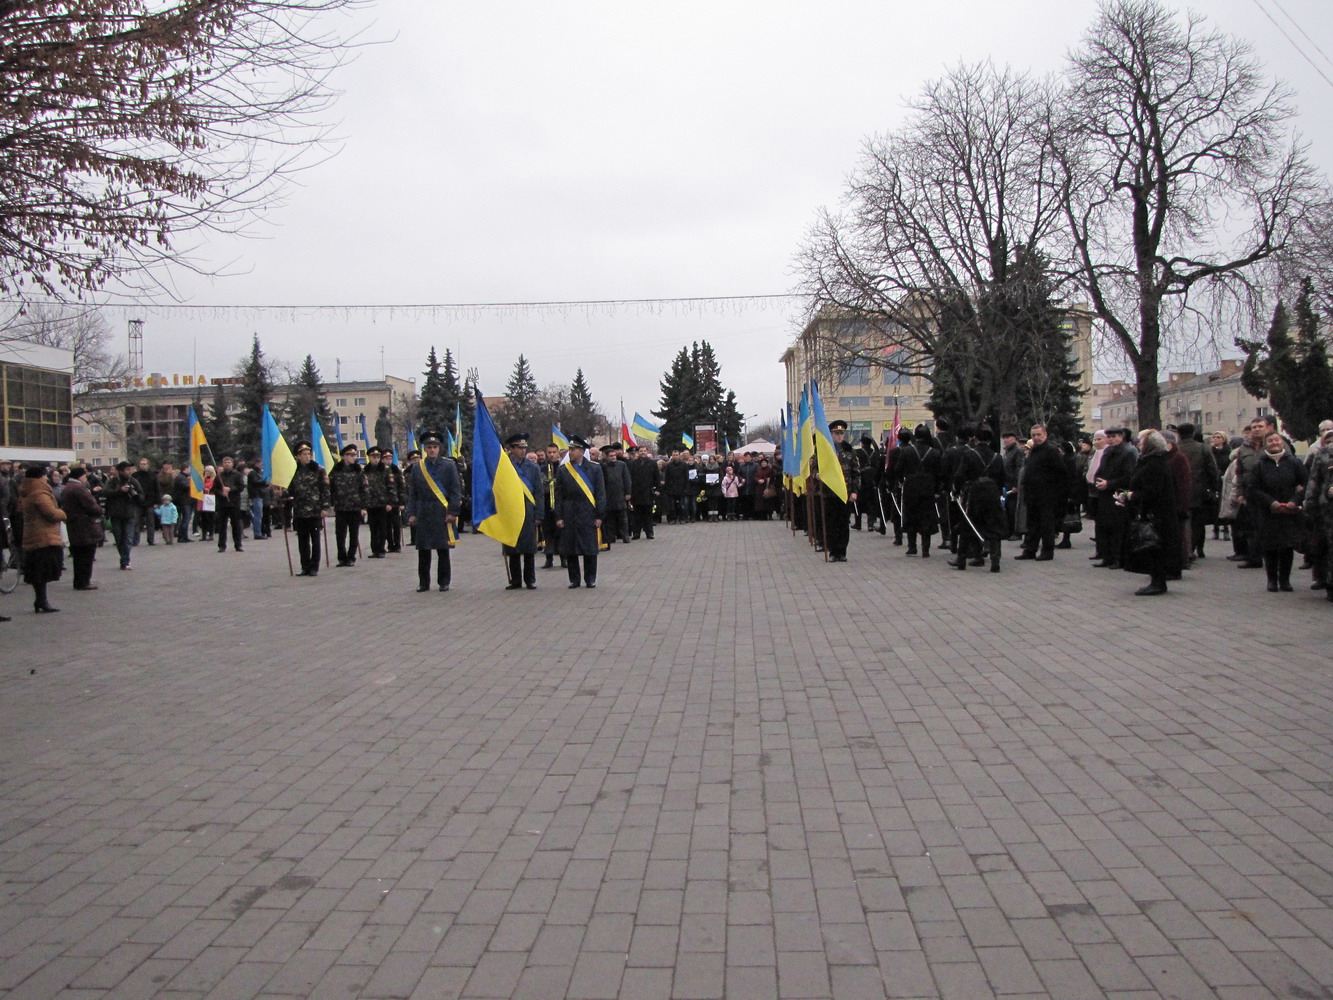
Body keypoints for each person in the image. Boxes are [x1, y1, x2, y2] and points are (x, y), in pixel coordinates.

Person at [1245, 429, 1308, 593]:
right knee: (1270, 546)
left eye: (1277, 440)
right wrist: (1271, 503)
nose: (1274, 443)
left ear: (1283, 442)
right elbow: (1253, 489)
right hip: (1268, 512)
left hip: (1289, 511)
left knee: (1287, 546)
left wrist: (1294, 501)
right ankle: (1272, 580)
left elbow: (1306, 484)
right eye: (1270, 441)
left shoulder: (1294, 462)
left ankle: (1285, 580)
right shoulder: (1259, 465)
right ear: (1265, 445)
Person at [1118, 429, 1179, 596]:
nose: (1138, 444)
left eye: (1141, 441)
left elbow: (1152, 491)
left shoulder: (1155, 463)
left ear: (1150, 444)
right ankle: (1156, 579)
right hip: (1154, 512)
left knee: (1153, 545)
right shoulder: (1150, 461)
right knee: (1152, 546)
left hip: (1156, 514)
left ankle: (1158, 582)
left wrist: (1132, 495)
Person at [405, 432, 460, 592]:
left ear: (439, 448)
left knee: (443, 549)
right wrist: (411, 513)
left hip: (442, 512)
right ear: (425, 449)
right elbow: (413, 494)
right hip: (423, 512)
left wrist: (453, 512)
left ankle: (444, 581)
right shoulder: (418, 468)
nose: (432, 450)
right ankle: (424, 582)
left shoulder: (449, 466)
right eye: (429, 447)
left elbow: (455, 491)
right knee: (423, 550)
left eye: (435, 447)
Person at [555, 436, 605, 588]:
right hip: (569, 511)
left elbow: (600, 494)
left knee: (589, 547)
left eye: (573, 449)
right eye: (569, 449)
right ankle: (574, 579)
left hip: (588, 511)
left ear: (582, 452)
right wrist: (559, 516)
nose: (570, 452)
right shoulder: (563, 470)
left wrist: (599, 515)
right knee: (570, 548)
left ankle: (590, 579)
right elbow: (559, 496)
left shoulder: (595, 469)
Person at [17, 465, 67, 613]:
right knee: (42, 571)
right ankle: (41, 601)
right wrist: (62, 513)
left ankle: (40, 600)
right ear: (39, 477)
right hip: (44, 536)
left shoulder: (26, 491)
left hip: (33, 534)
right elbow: (51, 513)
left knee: (37, 571)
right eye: (45, 475)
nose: (46, 478)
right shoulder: (40, 493)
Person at [1015, 424, 1066, 561]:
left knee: (1046, 525)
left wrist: (1056, 492)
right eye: (1033, 435)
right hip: (1032, 494)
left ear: (1045, 435)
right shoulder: (1034, 450)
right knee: (1032, 524)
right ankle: (1030, 550)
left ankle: (1047, 552)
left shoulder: (1051, 449)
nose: (1036, 437)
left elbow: (1061, 472)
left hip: (1046, 494)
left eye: (1039, 435)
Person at [502, 432, 545, 589]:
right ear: (512, 449)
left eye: (524, 448)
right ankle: (515, 580)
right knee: (512, 547)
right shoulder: (504, 466)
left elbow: (539, 492)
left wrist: (539, 514)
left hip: (528, 510)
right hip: (511, 510)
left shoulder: (533, 467)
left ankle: (530, 579)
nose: (523, 450)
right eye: (519, 448)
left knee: (528, 547)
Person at [284, 441, 331, 576]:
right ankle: (305, 566)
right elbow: (290, 490)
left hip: (315, 511)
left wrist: (325, 507)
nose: (307, 456)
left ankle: (314, 567)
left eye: (308, 454)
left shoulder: (318, 470)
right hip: (300, 511)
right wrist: (281, 492)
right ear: (298, 456)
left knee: (315, 540)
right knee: (302, 540)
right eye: (304, 454)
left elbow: (325, 490)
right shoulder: (293, 470)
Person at [1092, 428, 1136, 569]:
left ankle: (1118, 558)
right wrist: (1098, 481)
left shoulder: (1128, 452)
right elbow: (1100, 470)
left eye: (1113, 436)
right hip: (1104, 494)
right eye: (1109, 437)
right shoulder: (1107, 452)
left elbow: (1128, 476)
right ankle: (1107, 556)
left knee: (1118, 528)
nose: (1110, 439)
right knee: (1104, 526)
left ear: (1121, 437)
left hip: (1118, 495)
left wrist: (1109, 483)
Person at [892, 424, 938, 558]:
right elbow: (939, 473)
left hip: (911, 487)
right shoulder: (934, 452)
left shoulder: (907, 452)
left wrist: (902, 481)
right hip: (928, 488)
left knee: (911, 515)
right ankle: (926, 549)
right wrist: (936, 488)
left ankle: (912, 547)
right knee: (926, 517)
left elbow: (898, 469)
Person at [59, 465, 104, 591]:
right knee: (86, 555)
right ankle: (84, 582)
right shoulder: (79, 488)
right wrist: (100, 510)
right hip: (84, 526)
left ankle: (79, 581)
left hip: (73, 525)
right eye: (84, 476)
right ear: (80, 476)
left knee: (78, 556)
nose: (86, 479)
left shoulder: (67, 487)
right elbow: (91, 505)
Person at [1303, 427, 1333, 600]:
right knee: (1328, 546)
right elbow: (1313, 481)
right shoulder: (1323, 454)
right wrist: (1310, 506)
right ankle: (1329, 584)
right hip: (1327, 510)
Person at [328, 443, 367, 566]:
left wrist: (364, 507)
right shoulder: (336, 470)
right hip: (341, 507)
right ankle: (342, 558)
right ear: (344, 456)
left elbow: (364, 489)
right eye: (350, 455)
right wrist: (330, 503)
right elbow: (330, 488)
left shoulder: (358, 470)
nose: (353, 457)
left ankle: (351, 557)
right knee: (340, 535)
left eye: (354, 455)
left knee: (354, 534)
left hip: (355, 507)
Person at [104, 460, 144, 570]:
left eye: (130, 469)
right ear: (121, 471)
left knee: (128, 538)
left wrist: (135, 494)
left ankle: (125, 561)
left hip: (130, 514)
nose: (130, 471)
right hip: (116, 514)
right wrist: (120, 490)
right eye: (127, 469)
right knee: (119, 538)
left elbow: (141, 495)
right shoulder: (113, 481)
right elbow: (105, 492)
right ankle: (124, 558)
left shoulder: (133, 481)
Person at [363, 446, 398, 559]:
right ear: (369, 458)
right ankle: (375, 550)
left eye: (378, 457)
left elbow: (391, 487)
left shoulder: (386, 469)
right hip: (371, 504)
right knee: (373, 528)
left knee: (383, 527)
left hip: (383, 503)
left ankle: (381, 549)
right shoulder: (365, 470)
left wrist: (390, 502)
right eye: (374, 457)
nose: (376, 459)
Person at [210, 455, 246, 553]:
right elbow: (214, 489)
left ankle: (238, 544)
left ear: (232, 464)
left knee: (236, 525)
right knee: (222, 526)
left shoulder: (237, 475)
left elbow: (241, 487)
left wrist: (230, 489)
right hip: (222, 504)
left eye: (229, 462)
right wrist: (221, 492)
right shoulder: (219, 476)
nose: (227, 464)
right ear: (223, 464)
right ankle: (222, 545)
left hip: (234, 503)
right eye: (225, 462)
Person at [600, 444, 632, 542]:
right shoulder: (602, 466)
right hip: (608, 495)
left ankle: (625, 536)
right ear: (606, 457)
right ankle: (611, 537)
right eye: (611, 456)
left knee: (623, 518)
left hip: (620, 495)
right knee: (610, 518)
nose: (613, 457)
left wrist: (628, 493)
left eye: (614, 455)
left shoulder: (622, 465)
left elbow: (627, 479)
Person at [627, 445, 661, 539]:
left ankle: (649, 533)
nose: (643, 453)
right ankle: (636, 533)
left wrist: (657, 489)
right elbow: (629, 478)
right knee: (636, 514)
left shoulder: (652, 463)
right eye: (641, 451)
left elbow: (657, 477)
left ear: (647, 452)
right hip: (636, 492)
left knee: (648, 514)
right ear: (638, 453)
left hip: (648, 492)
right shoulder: (632, 463)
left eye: (644, 451)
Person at [539, 443, 563, 565]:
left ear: (558, 453)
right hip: (546, 504)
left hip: (560, 504)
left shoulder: (563, 468)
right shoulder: (542, 469)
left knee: (561, 531)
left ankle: (563, 557)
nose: (552, 455)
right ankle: (549, 558)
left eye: (554, 452)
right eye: (549, 452)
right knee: (547, 531)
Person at [132, 457, 158, 546]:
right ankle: (135, 540)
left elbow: (157, 489)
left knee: (150, 523)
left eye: (144, 464)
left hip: (150, 502)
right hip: (138, 502)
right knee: (136, 522)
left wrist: (157, 502)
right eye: (141, 464)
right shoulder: (135, 475)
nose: (143, 466)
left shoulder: (153, 475)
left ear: (148, 465)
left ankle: (151, 540)